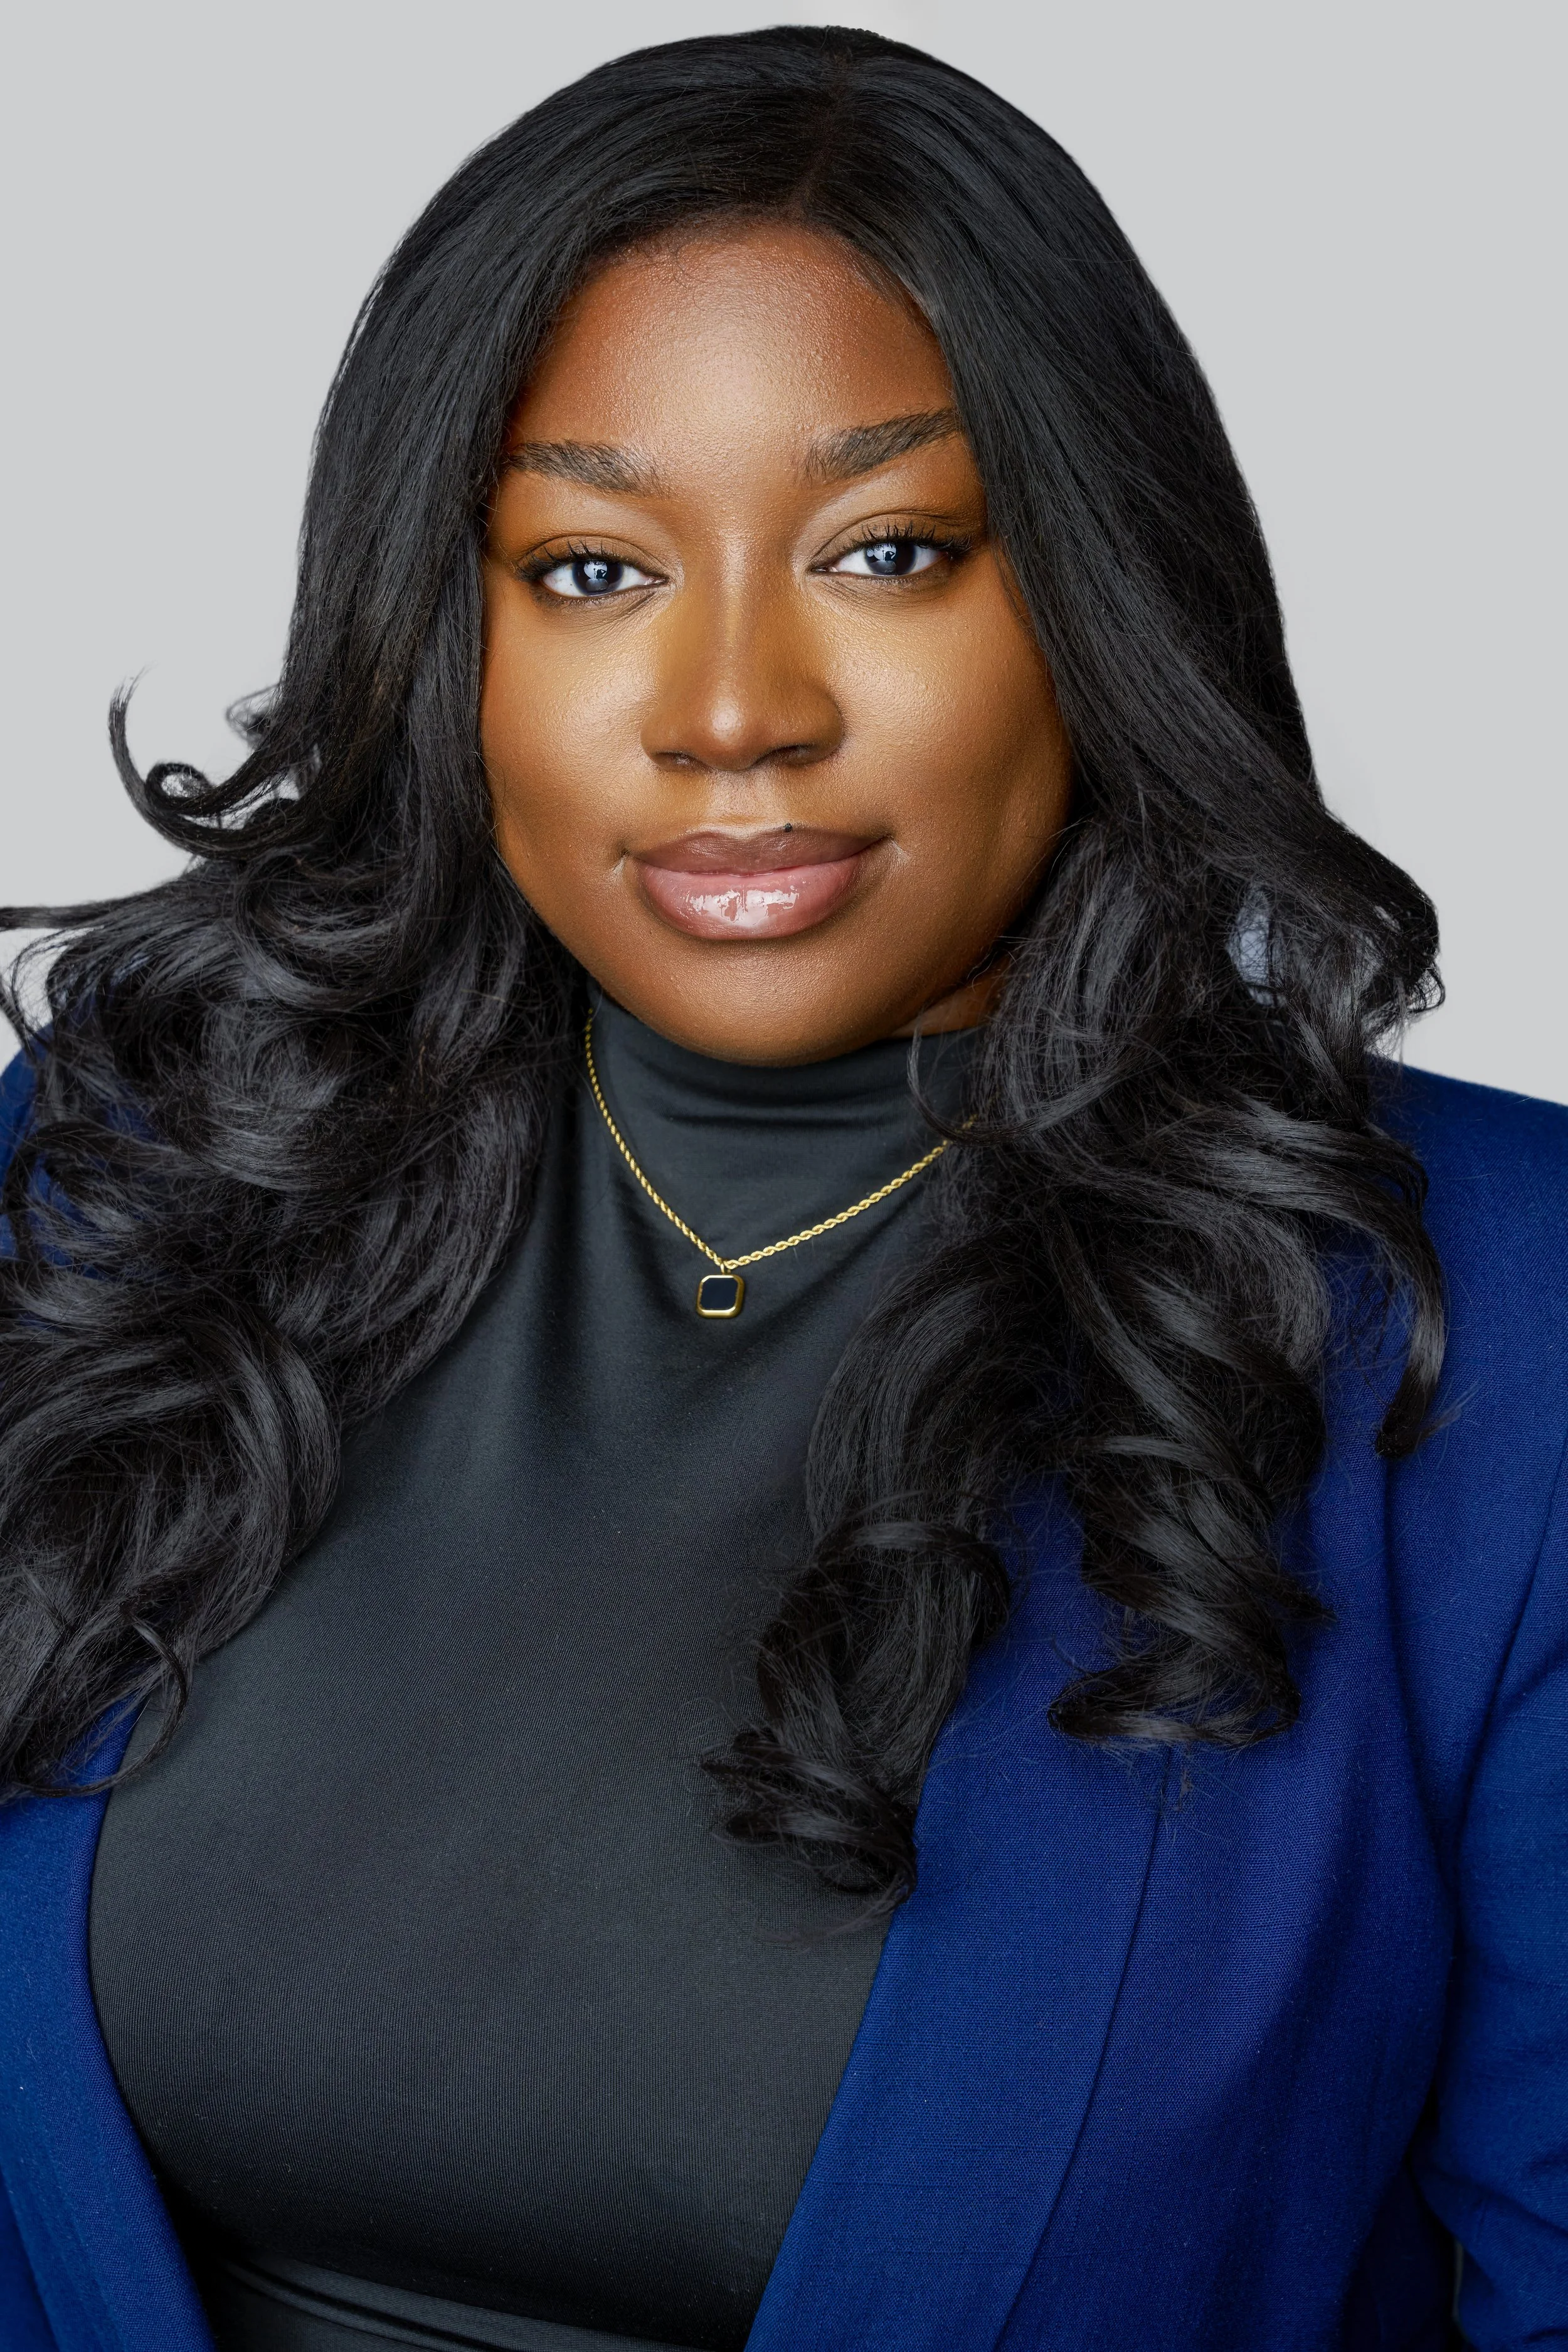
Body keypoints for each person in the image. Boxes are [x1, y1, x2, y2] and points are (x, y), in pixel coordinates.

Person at [0, 25, 1562, 2352]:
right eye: (595, 562)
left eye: (891, 551)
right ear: (452, 638)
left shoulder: (1489, 1326)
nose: (735, 707)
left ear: (1100, 603)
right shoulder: (125, 1192)